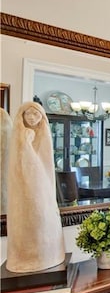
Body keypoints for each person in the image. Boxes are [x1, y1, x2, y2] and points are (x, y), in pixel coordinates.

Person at [6, 102, 65, 272]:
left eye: (36, 114)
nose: (32, 118)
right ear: (21, 117)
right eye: (28, 114)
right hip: (26, 188)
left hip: (43, 186)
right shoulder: (23, 136)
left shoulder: (42, 137)